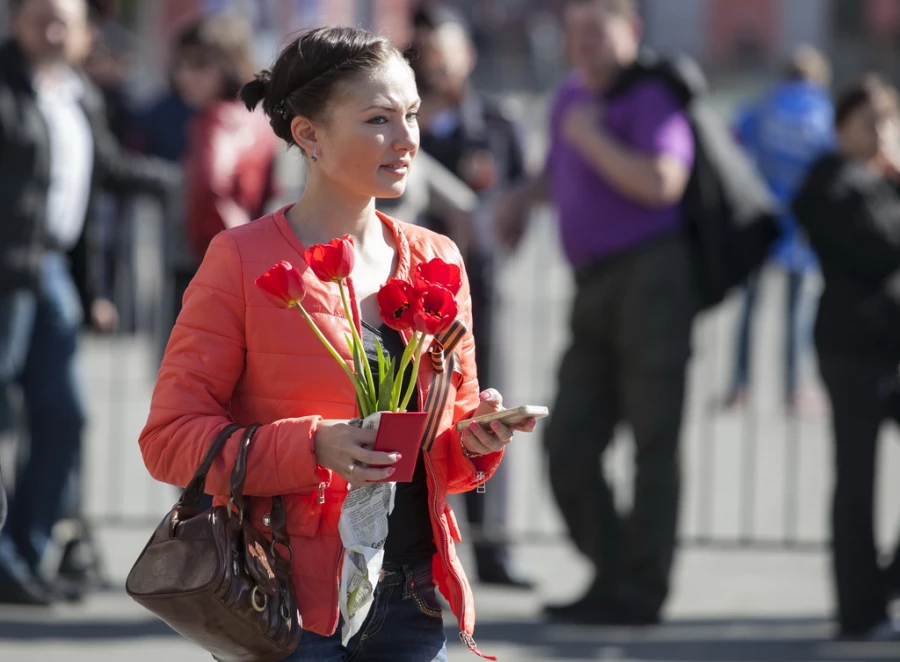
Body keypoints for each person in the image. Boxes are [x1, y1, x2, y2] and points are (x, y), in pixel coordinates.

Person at [137, 26, 537, 661]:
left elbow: (443, 457)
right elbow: (168, 441)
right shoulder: (240, 259)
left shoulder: (437, 258)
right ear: (309, 135)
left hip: (410, 597)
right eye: (379, 119)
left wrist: (476, 437)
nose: (407, 139)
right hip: (282, 595)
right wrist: (312, 445)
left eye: (411, 114)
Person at [496, 0, 697, 625]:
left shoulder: (651, 95)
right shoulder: (568, 99)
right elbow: (557, 174)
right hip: (592, 284)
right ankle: (615, 573)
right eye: (574, 31)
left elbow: (664, 182)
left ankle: (642, 590)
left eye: (596, 30)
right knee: (569, 438)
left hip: (651, 277)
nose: (582, 43)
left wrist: (592, 135)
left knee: (652, 442)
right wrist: (518, 201)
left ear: (630, 32)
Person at [0, 0, 175, 605]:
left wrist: (182, 177)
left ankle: (25, 552)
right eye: (40, 16)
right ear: (17, 21)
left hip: (49, 271)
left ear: (81, 32)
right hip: (7, 269)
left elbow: (107, 172)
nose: (52, 30)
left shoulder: (77, 93)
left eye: (63, 20)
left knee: (65, 414)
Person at [412, 10, 532, 589]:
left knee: (483, 409)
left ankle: (493, 549)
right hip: (407, 297)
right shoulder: (403, 124)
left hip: (474, 291)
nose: (435, 65)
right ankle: (425, 548)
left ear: (468, 57)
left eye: (444, 53)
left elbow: (514, 195)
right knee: (417, 416)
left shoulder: (496, 122)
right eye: (425, 54)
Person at [793, 74, 900, 642]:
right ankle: (860, 609)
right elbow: (879, 247)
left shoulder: (884, 180)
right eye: (871, 121)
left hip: (889, 346)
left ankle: (881, 588)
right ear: (842, 130)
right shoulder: (830, 182)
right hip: (852, 348)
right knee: (857, 481)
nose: (883, 131)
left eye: (889, 119)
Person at [725, 46, 834, 412]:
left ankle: (740, 385)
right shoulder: (822, 113)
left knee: (750, 309)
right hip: (802, 224)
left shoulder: (766, 105)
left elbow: (734, 136)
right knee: (795, 314)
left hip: (759, 218)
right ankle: (794, 390)